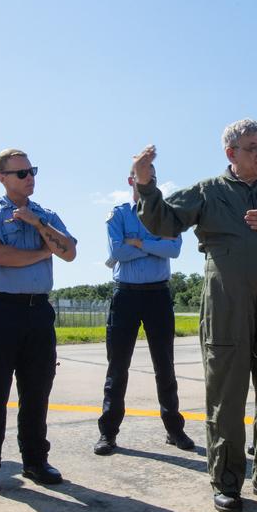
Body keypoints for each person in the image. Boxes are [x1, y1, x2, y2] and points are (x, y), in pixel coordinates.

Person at [131, 120, 257, 512]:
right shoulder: (208, 192)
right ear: (231, 153)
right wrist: (146, 184)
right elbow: (163, 220)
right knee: (226, 396)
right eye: (252, 147)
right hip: (226, 303)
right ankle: (228, 482)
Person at [0, 149, 76, 495]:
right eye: (20, 173)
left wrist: (37, 225)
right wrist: (45, 252)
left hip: (38, 312)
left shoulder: (46, 215)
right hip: (0, 310)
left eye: (32, 171)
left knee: (37, 391)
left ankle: (35, 460)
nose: (29, 177)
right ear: (2, 177)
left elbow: (70, 251)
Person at [94, 164, 194, 456]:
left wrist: (137, 242)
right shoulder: (118, 214)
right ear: (131, 180)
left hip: (157, 296)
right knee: (117, 367)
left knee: (165, 366)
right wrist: (154, 245)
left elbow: (174, 250)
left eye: (151, 177)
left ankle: (174, 429)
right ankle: (108, 433)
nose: (146, 181)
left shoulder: (166, 213)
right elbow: (117, 253)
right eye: (141, 177)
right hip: (125, 296)